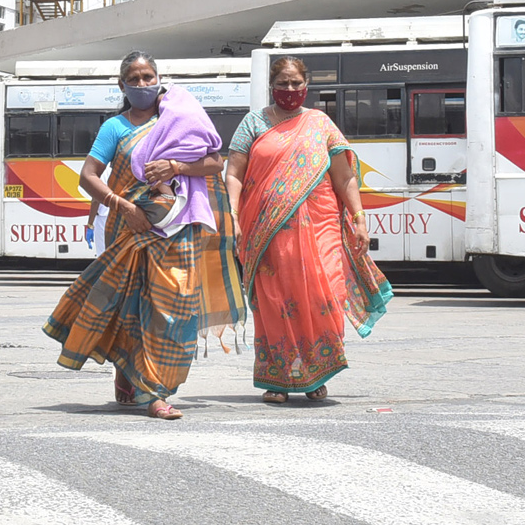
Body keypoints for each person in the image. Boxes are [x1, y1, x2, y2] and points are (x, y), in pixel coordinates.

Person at [44, 51, 245, 420]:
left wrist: (176, 166)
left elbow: (216, 162)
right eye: (133, 79)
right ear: (122, 86)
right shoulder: (115, 127)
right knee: (132, 310)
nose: (142, 84)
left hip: (179, 228)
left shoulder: (179, 118)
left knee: (175, 309)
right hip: (130, 229)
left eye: (147, 77)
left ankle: (145, 383)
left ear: (159, 79)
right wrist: (122, 206)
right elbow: (87, 176)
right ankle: (151, 392)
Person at [226, 56, 393, 403]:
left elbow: (344, 177)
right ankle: (279, 379)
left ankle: (318, 371)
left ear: (306, 86)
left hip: (321, 226)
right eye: (282, 83)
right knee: (276, 302)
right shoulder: (253, 123)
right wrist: (233, 214)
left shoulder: (320, 123)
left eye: (296, 83)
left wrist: (360, 219)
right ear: (271, 86)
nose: (289, 89)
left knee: (326, 295)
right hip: (267, 231)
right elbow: (234, 174)